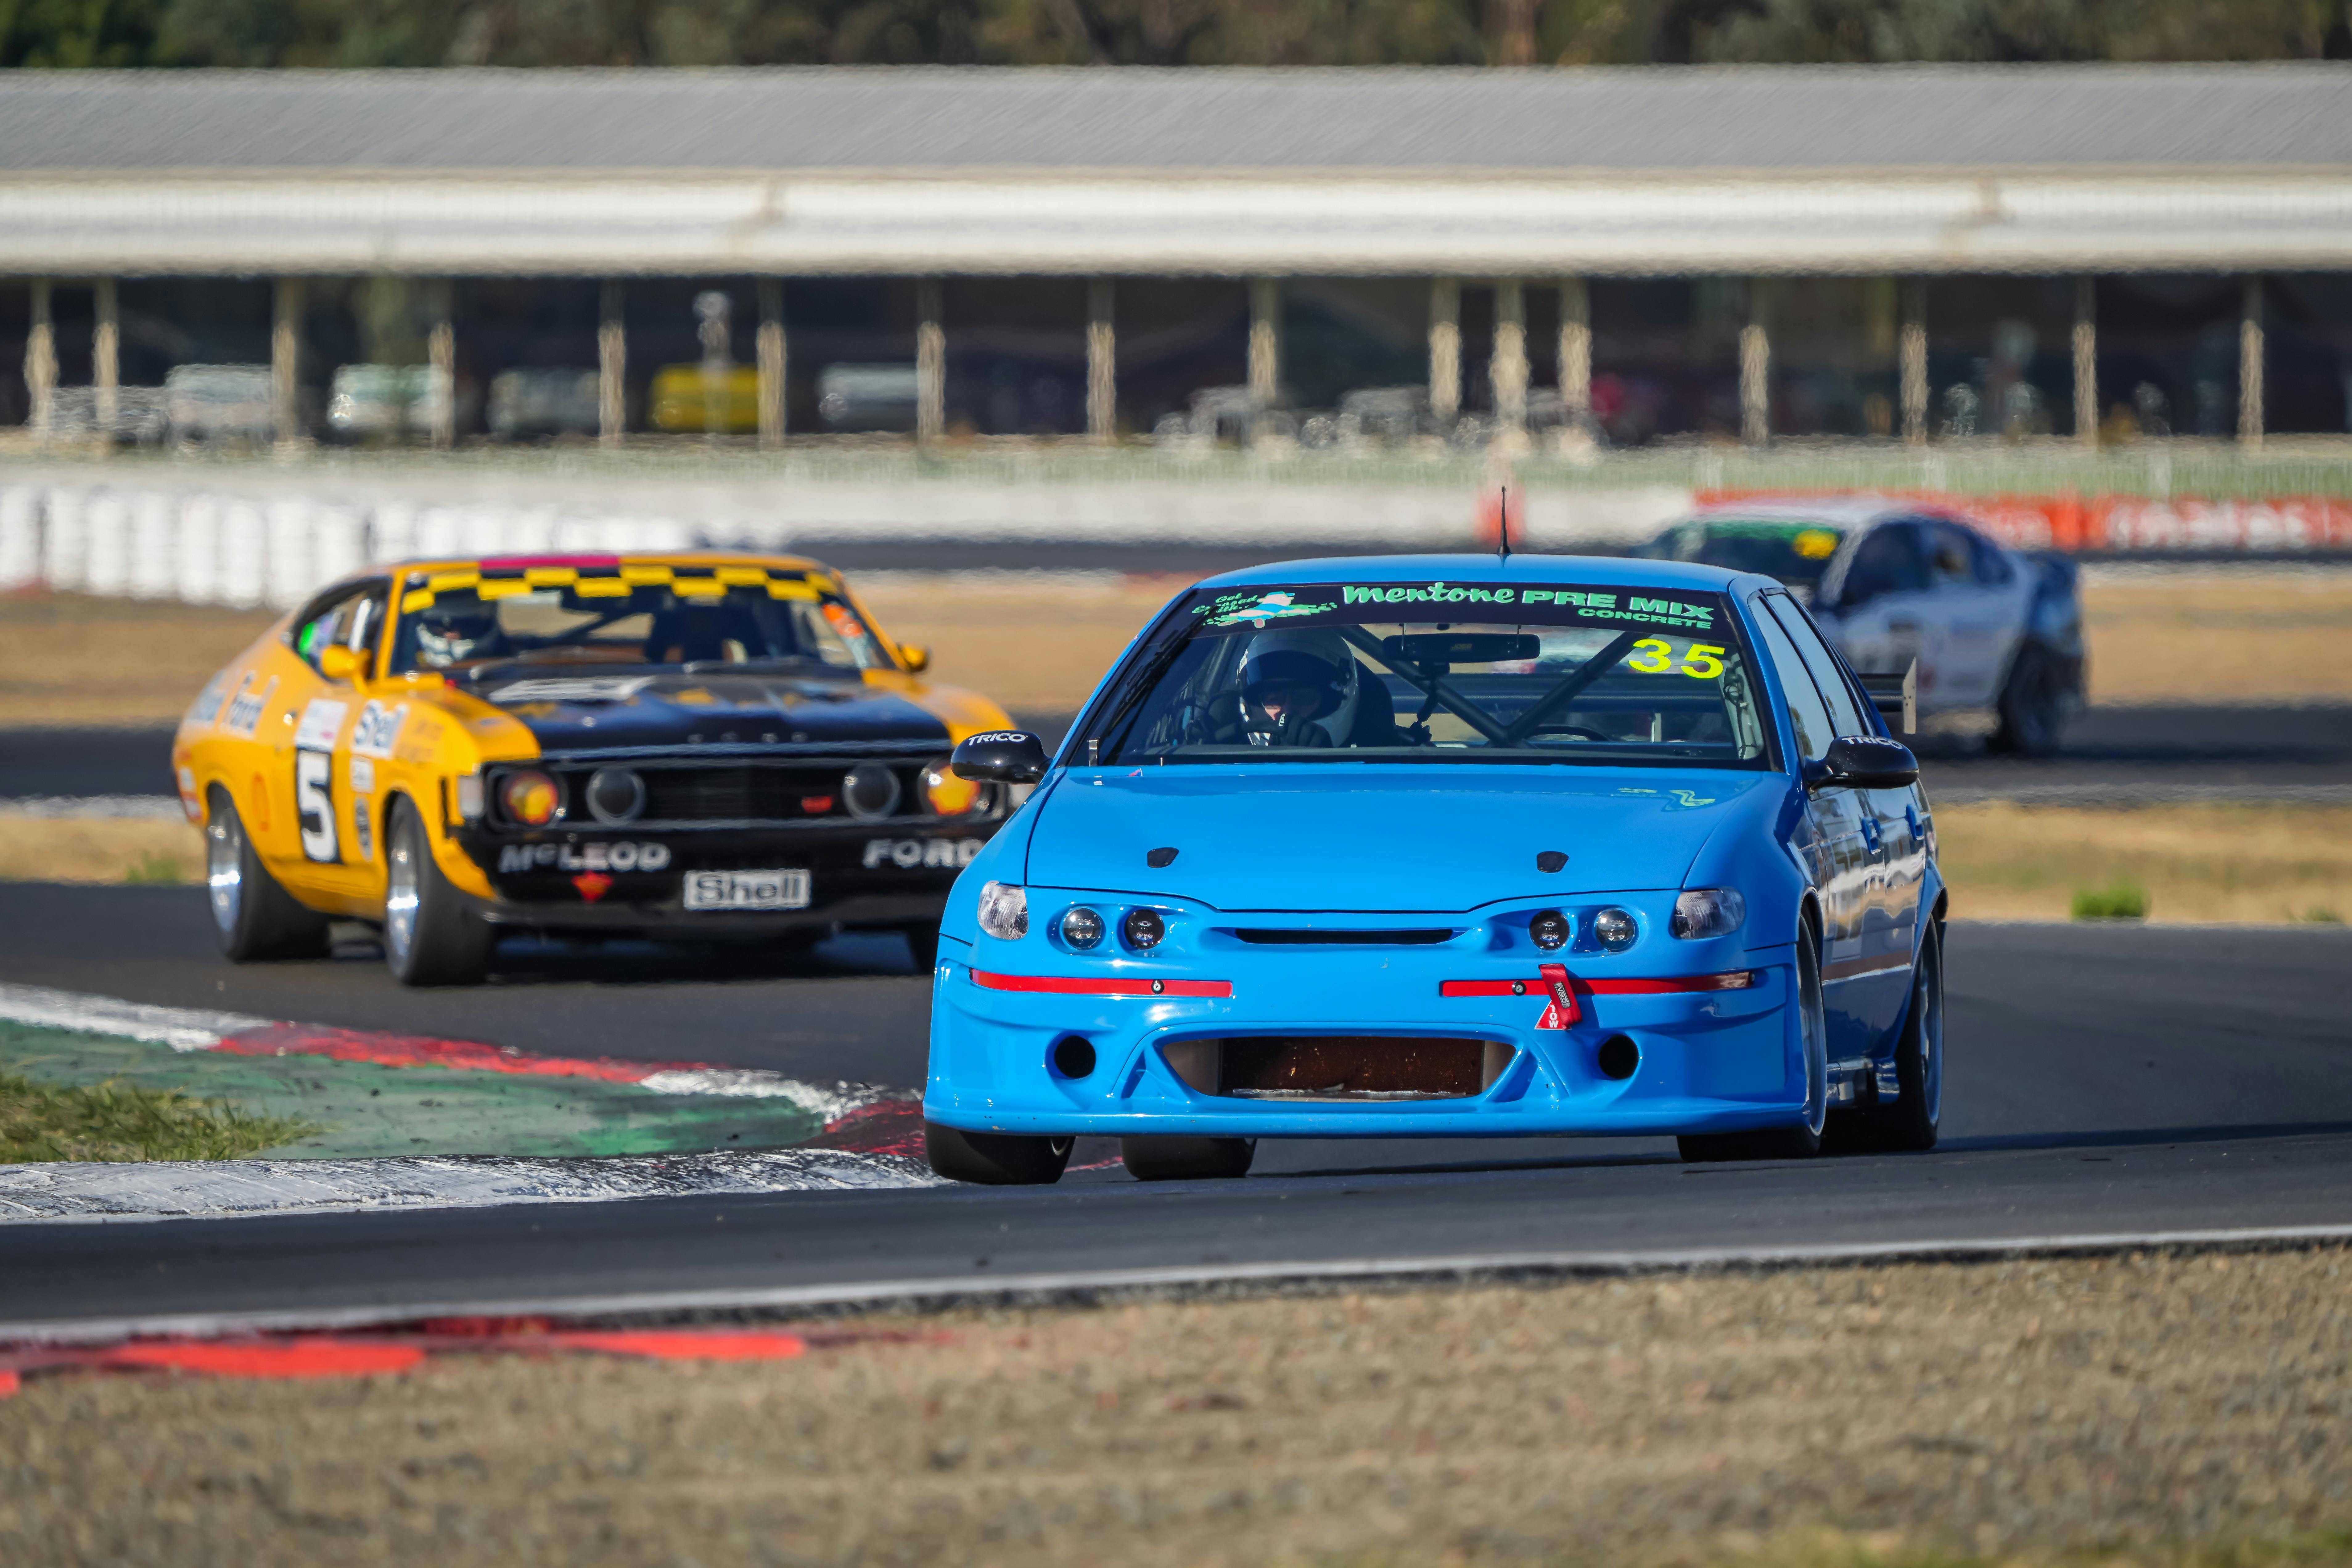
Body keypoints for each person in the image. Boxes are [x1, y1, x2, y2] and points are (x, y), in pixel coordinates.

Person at [412, 601, 505, 669]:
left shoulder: (504, 661)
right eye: (439, 625)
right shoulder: (409, 661)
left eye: (464, 625)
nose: (450, 634)